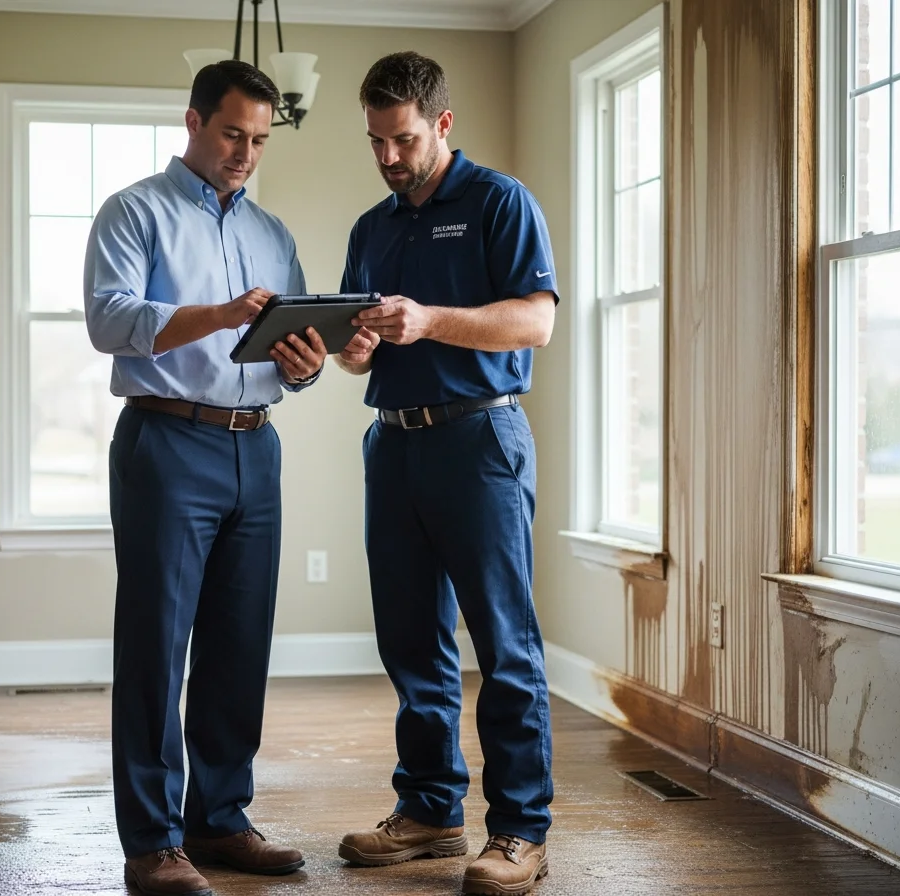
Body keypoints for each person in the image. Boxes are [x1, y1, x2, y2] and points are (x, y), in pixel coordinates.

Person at [84, 59, 326, 896]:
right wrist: (219, 315)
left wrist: (304, 363)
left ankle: (219, 819)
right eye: (233, 134)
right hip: (167, 440)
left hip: (256, 448)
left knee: (239, 641)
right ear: (192, 122)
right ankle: (153, 841)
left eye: (259, 140)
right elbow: (110, 319)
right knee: (157, 642)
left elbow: (296, 359)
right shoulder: (134, 212)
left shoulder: (274, 233)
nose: (246, 153)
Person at [333, 51, 558, 896]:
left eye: (403, 139)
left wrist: (427, 320)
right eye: (376, 143)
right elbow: (360, 356)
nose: (389, 158)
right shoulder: (372, 227)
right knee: (410, 642)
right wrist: (354, 348)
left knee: (504, 645)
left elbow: (534, 323)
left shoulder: (501, 202)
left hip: (480, 442)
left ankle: (519, 832)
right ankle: (430, 808)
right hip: (391, 444)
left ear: (442, 124)